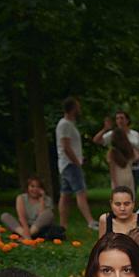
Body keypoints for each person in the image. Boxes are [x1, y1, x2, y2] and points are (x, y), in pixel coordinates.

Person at [55, 96, 98, 231]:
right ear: (73, 108)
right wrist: (76, 162)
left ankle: (63, 225)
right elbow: (66, 146)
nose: (79, 109)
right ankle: (90, 221)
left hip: (66, 164)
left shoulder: (68, 124)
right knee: (80, 192)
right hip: (70, 164)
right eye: (77, 107)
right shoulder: (65, 125)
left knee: (65, 195)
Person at [0, 176, 55, 240]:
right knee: (5, 216)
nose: (35, 189)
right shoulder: (21, 198)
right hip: (25, 225)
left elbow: (41, 217)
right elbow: (21, 216)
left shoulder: (47, 200)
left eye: (38, 187)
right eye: (32, 186)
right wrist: (26, 229)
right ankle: (25, 235)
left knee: (49, 213)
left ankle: (26, 236)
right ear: (28, 187)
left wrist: (42, 199)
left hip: (39, 228)